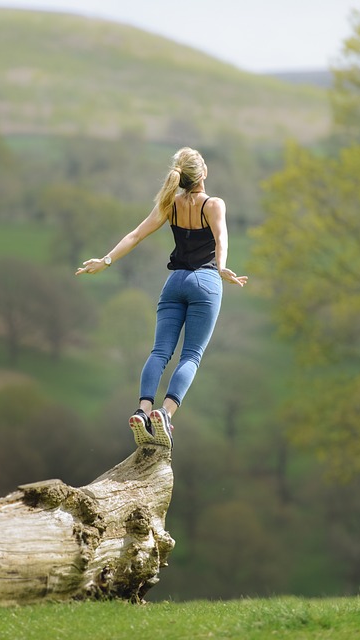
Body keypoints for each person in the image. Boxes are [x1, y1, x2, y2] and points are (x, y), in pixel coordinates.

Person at [75, 147, 247, 449]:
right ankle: (164, 414)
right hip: (205, 283)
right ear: (203, 173)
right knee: (191, 355)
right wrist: (221, 268)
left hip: (174, 284)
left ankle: (142, 411)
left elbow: (136, 235)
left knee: (159, 352)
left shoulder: (171, 204)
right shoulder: (214, 204)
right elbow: (221, 237)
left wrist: (106, 261)